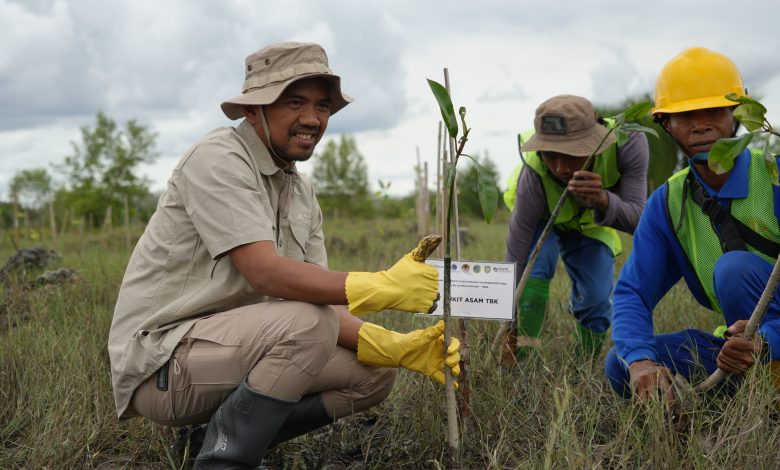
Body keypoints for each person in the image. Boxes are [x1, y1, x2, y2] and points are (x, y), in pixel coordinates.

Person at [107, 41, 460, 468]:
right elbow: (265, 275)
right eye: (295, 102)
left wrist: (391, 344)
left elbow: (317, 298)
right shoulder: (219, 159)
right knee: (309, 325)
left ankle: (212, 439)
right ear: (254, 110)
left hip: (232, 349)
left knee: (373, 373)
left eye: (322, 106)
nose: (312, 119)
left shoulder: (301, 191)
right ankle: (223, 463)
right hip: (164, 364)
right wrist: (383, 285)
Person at [605, 46, 780, 401]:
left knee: (735, 270)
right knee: (619, 365)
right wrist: (640, 362)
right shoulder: (668, 204)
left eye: (713, 111)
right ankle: (750, 386)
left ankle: (765, 391)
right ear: (666, 125)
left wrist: (767, 341)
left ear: (737, 115)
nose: (700, 125)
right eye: (685, 116)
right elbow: (633, 293)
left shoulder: (774, 177)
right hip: (742, 351)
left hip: (767, 342)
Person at [504, 95, 649, 361]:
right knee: (531, 282)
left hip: (591, 219)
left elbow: (639, 219)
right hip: (541, 217)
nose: (559, 167)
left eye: (571, 155)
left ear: (593, 143)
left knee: (595, 298)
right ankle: (523, 360)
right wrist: (507, 323)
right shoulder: (534, 175)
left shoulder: (627, 146)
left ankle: (583, 363)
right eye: (550, 155)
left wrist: (603, 200)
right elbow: (517, 255)